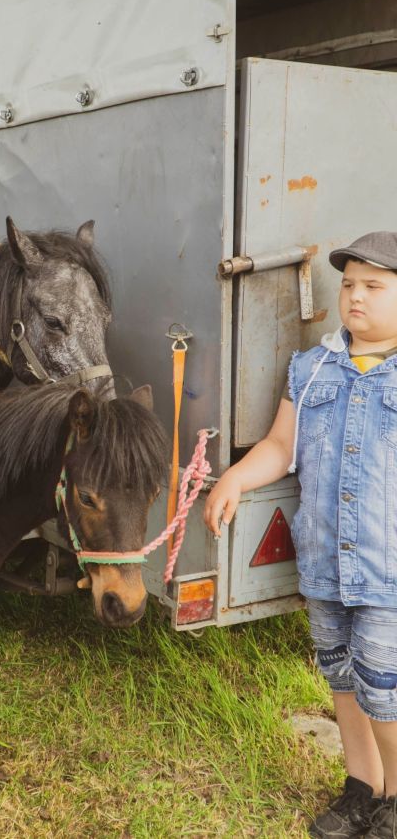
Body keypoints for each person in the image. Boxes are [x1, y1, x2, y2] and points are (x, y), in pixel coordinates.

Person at [205, 231, 397, 838]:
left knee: (383, 687)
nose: (355, 297)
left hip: (387, 567)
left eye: (373, 286)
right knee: (342, 676)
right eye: (348, 285)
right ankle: (363, 788)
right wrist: (235, 476)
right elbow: (281, 445)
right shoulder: (313, 369)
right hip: (325, 563)